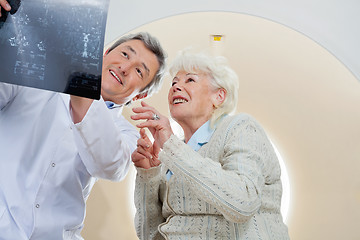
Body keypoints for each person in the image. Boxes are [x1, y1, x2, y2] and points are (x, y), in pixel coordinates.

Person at [0, 1, 167, 237]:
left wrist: (81, 83)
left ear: (141, 94)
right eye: (124, 54)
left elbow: (111, 165)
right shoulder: (33, 76)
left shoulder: (127, 134)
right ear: (105, 53)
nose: (125, 67)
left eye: (140, 71)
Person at [131, 50, 290, 239]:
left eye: (190, 80)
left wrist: (172, 148)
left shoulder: (240, 128)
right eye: (174, 82)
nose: (176, 87)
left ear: (219, 97)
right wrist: (149, 175)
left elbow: (243, 203)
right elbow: (150, 235)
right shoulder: (173, 154)